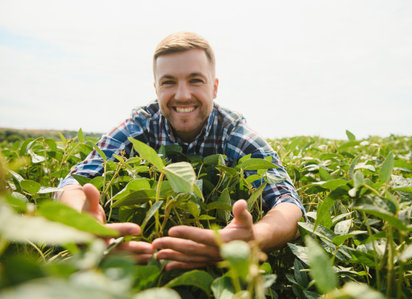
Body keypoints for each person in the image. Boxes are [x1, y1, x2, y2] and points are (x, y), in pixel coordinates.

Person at [58, 32, 306, 270]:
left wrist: (255, 238)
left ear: (215, 87)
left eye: (196, 80)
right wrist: (81, 223)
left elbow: (290, 205)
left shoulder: (236, 136)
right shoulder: (139, 128)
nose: (183, 95)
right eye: (169, 82)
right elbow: (71, 183)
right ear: (156, 89)